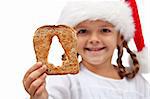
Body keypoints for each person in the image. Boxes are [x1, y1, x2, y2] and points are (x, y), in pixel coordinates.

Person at [23, 0, 150, 99]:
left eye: (105, 30)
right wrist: (39, 97)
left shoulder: (138, 83)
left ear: (120, 38)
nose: (94, 39)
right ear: (70, 39)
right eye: (83, 31)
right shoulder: (65, 80)